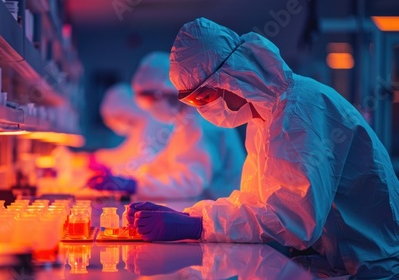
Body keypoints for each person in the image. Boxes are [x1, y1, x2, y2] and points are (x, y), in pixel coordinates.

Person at [128, 17, 399, 278]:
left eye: (205, 97)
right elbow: (258, 202)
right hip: (337, 260)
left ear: (232, 75)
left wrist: (199, 225)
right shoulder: (264, 116)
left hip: (368, 267)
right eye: (195, 102)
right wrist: (194, 214)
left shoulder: (299, 112)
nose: (204, 109)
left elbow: (292, 222)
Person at [88, 51, 246, 199]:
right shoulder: (184, 122)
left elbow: (191, 182)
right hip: (207, 207)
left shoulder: (202, 122)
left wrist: (135, 185)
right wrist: (128, 178)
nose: (150, 110)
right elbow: (164, 165)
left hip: (221, 214)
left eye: (151, 101)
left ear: (169, 93)